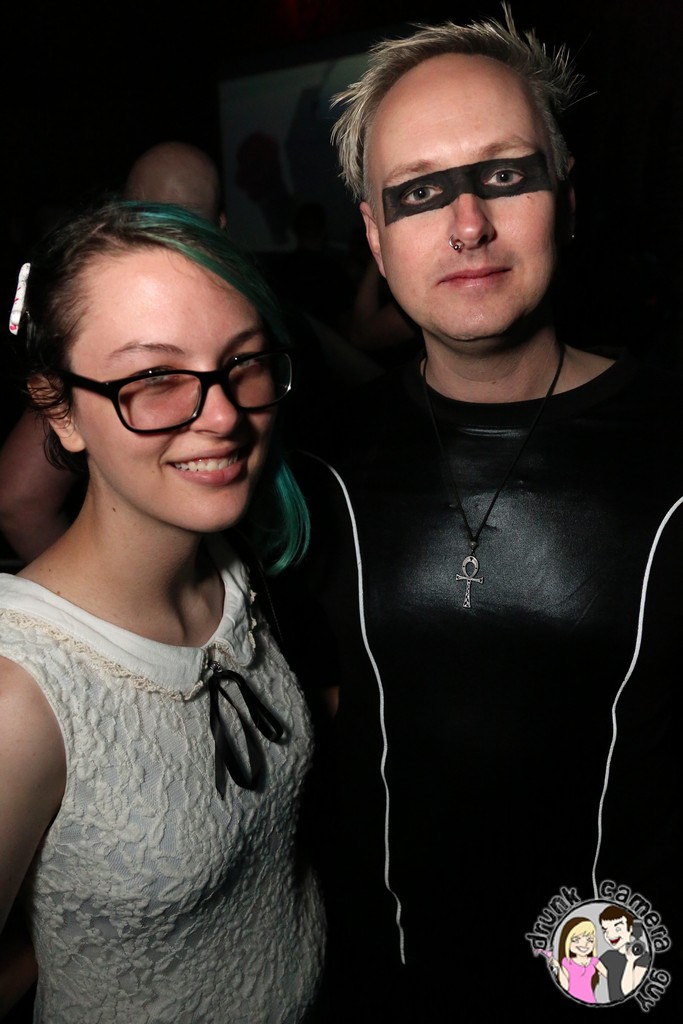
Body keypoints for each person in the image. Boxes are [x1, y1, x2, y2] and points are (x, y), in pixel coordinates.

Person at [278, 5, 682, 1020]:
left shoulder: (674, 449)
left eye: (503, 175)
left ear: (565, 200)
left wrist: (612, 994)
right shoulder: (312, 467)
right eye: (418, 191)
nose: (467, 224)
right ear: (373, 236)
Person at [0, 200, 325, 1022]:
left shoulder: (237, 571)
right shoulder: (19, 695)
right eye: (153, 379)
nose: (223, 416)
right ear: (60, 409)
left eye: (244, 363)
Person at [0, 142, 227, 565]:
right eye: (155, 376)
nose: (223, 417)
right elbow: (18, 500)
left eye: (185, 227)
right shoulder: (103, 332)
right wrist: (106, 600)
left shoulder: (264, 316)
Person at [599, 906, 651, 1002]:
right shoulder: (608, 956)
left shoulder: (643, 957)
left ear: (630, 929)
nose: (610, 935)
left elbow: (628, 992)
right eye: (605, 930)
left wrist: (630, 961)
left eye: (618, 929)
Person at [551, 917, 607, 1004]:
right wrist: (558, 967)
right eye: (576, 940)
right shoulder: (566, 962)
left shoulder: (594, 961)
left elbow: (610, 976)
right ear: (567, 941)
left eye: (590, 940)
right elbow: (565, 987)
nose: (584, 944)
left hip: (591, 1001)